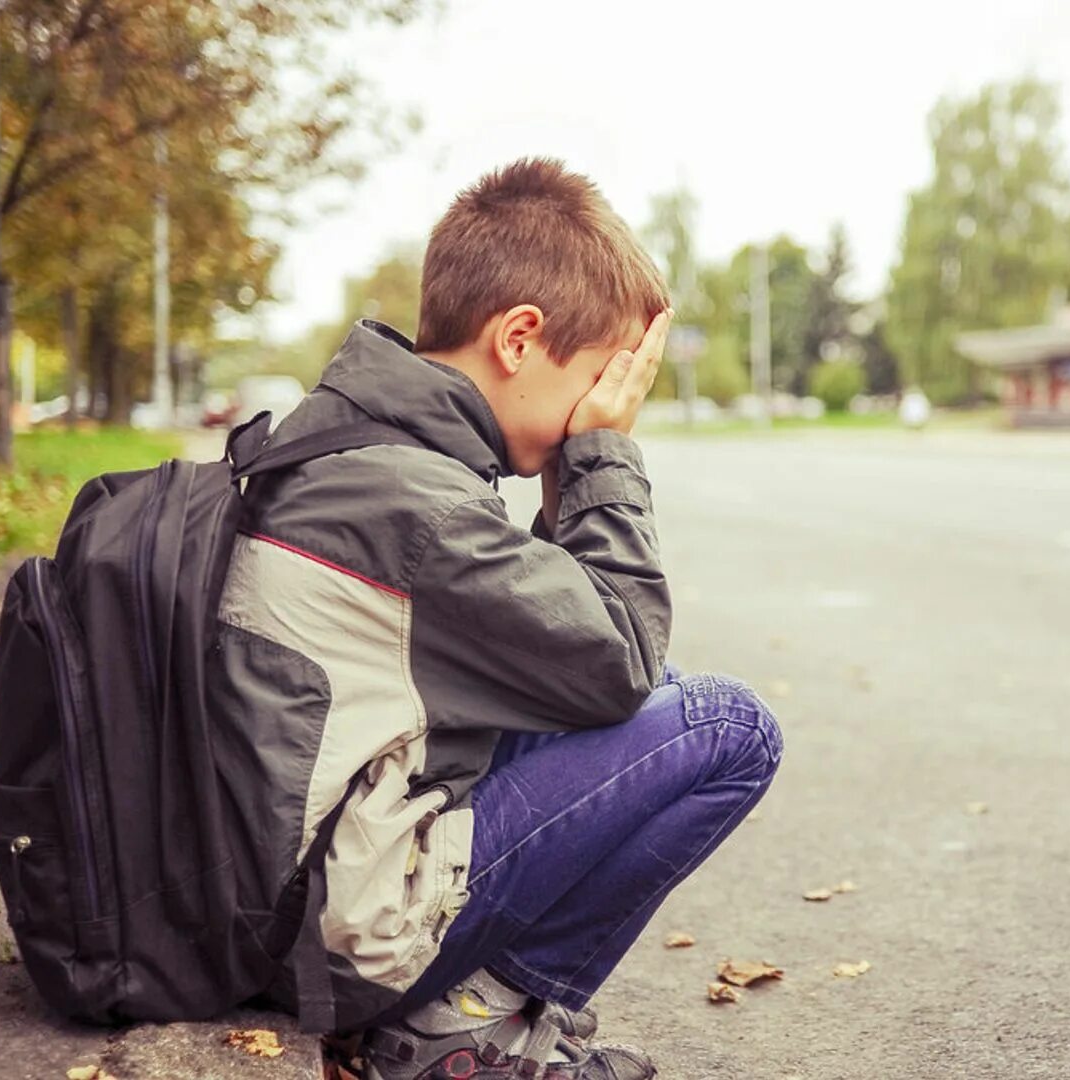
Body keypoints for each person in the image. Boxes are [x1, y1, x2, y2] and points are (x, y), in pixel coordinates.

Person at [217, 158, 781, 1080]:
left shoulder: (352, 446)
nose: (599, 411)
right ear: (520, 338)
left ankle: (461, 1015)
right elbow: (618, 660)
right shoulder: (419, 502)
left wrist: (571, 465)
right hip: (343, 938)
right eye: (600, 380)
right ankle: (460, 1028)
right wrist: (603, 454)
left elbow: (551, 662)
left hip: (283, 893)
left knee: (667, 709)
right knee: (728, 726)